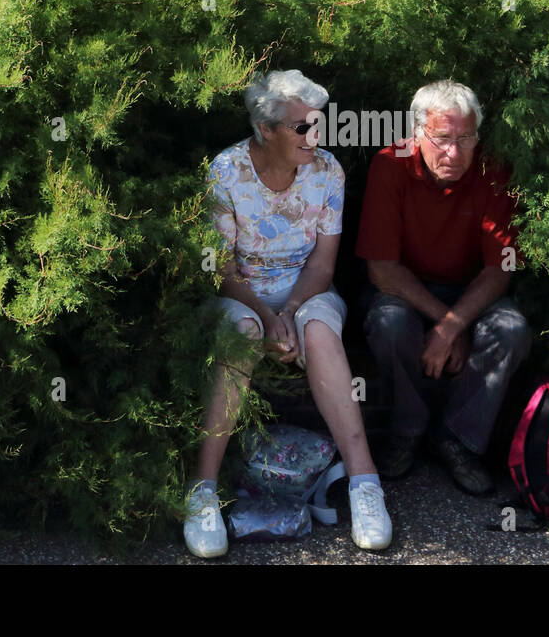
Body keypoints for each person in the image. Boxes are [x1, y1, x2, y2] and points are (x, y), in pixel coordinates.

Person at [184, 70, 392, 558]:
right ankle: (203, 490)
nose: (315, 137)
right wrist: (265, 314)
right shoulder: (225, 171)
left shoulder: (328, 171)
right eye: (303, 127)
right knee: (241, 331)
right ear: (265, 129)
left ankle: (365, 484)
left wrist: (293, 310)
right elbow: (220, 266)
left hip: (307, 288)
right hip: (241, 291)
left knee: (319, 331)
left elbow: (323, 262)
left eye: (319, 124)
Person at [356, 79, 531, 495]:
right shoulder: (390, 163)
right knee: (389, 323)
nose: (454, 152)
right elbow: (381, 270)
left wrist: (451, 327)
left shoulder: (493, 170)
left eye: (465, 138)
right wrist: (449, 324)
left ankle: (457, 438)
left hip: (471, 291)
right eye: (442, 139)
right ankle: (407, 430)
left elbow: (500, 268)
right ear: (417, 134)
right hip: (404, 290)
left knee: (512, 329)